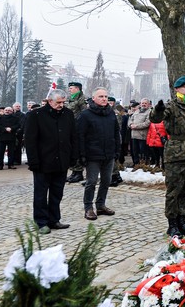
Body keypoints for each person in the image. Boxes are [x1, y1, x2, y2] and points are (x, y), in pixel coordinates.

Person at [150, 75, 185, 237]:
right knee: (174, 190)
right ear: (177, 89)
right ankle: (172, 224)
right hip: (175, 153)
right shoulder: (172, 106)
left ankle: (182, 220)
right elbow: (155, 118)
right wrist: (157, 109)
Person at [25, 89, 78, 234]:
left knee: (57, 193)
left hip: (61, 161)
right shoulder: (36, 115)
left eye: (63, 102)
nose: (61, 105)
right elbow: (30, 141)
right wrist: (33, 161)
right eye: (58, 102)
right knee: (41, 194)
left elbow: (73, 137)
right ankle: (41, 222)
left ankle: (54, 220)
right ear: (50, 101)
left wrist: (73, 157)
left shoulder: (68, 114)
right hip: (43, 162)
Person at [76, 88, 120, 221]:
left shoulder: (111, 113)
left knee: (106, 181)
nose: (104, 99)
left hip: (109, 154)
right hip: (92, 155)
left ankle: (100, 205)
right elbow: (80, 136)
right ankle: (88, 208)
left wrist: (117, 151)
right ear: (93, 98)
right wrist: (81, 154)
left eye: (106, 96)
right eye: (101, 96)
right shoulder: (86, 115)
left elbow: (116, 134)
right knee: (91, 182)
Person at [66, 81, 87, 183]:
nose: (69, 90)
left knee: (77, 150)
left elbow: (84, 114)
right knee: (72, 150)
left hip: (78, 128)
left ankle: (79, 173)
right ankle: (74, 172)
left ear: (77, 89)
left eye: (71, 88)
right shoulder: (71, 98)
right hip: (71, 127)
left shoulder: (82, 99)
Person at [128, 98, 152, 165]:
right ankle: (136, 164)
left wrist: (136, 126)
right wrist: (131, 125)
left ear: (148, 104)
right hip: (134, 135)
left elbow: (147, 123)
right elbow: (130, 120)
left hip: (143, 136)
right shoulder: (136, 111)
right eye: (142, 103)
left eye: (145, 103)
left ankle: (144, 164)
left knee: (143, 151)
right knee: (135, 151)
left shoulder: (150, 112)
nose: (143, 104)